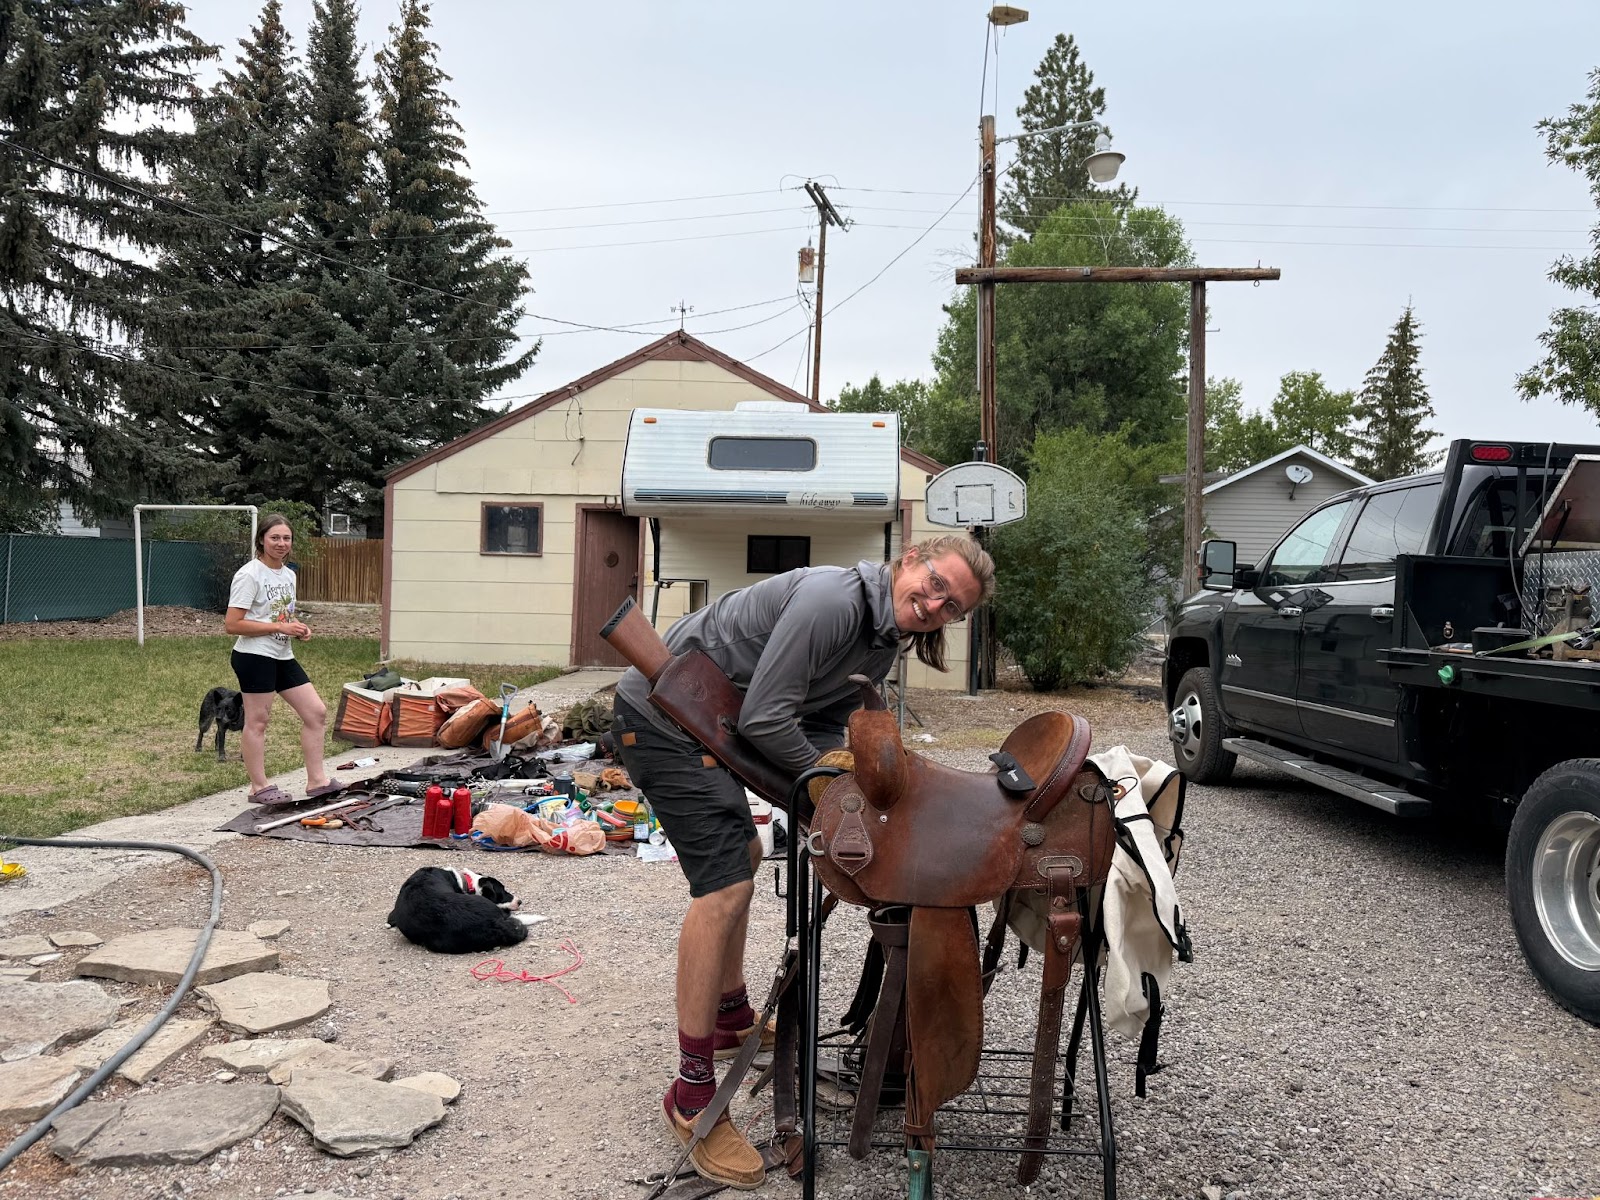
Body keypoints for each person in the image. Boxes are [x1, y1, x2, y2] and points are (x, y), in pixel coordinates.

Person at [611, 534, 995, 1190]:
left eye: (952, 605)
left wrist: (871, 773)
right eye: (933, 583)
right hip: (662, 715)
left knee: (750, 851)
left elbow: (817, 722)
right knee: (726, 886)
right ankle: (693, 1093)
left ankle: (732, 1018)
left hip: (709, 720)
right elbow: (766, 719)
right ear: (908, 563)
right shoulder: (832, 602)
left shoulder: (880, 637)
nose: (934, 604)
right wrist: (831, 779)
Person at [223, 514, 339, 807]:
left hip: (282, 654)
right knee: (258, 721)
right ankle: (258, 787)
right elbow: (233, 624)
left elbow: (279, 614)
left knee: (316, 712)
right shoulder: (249, 574)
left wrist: (297, 627)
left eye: (286, 538)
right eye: (275, 537)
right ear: (261, 539)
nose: (281, 543)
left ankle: (317, 781)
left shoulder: (288, 574)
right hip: (253, 657)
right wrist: (279, 627)